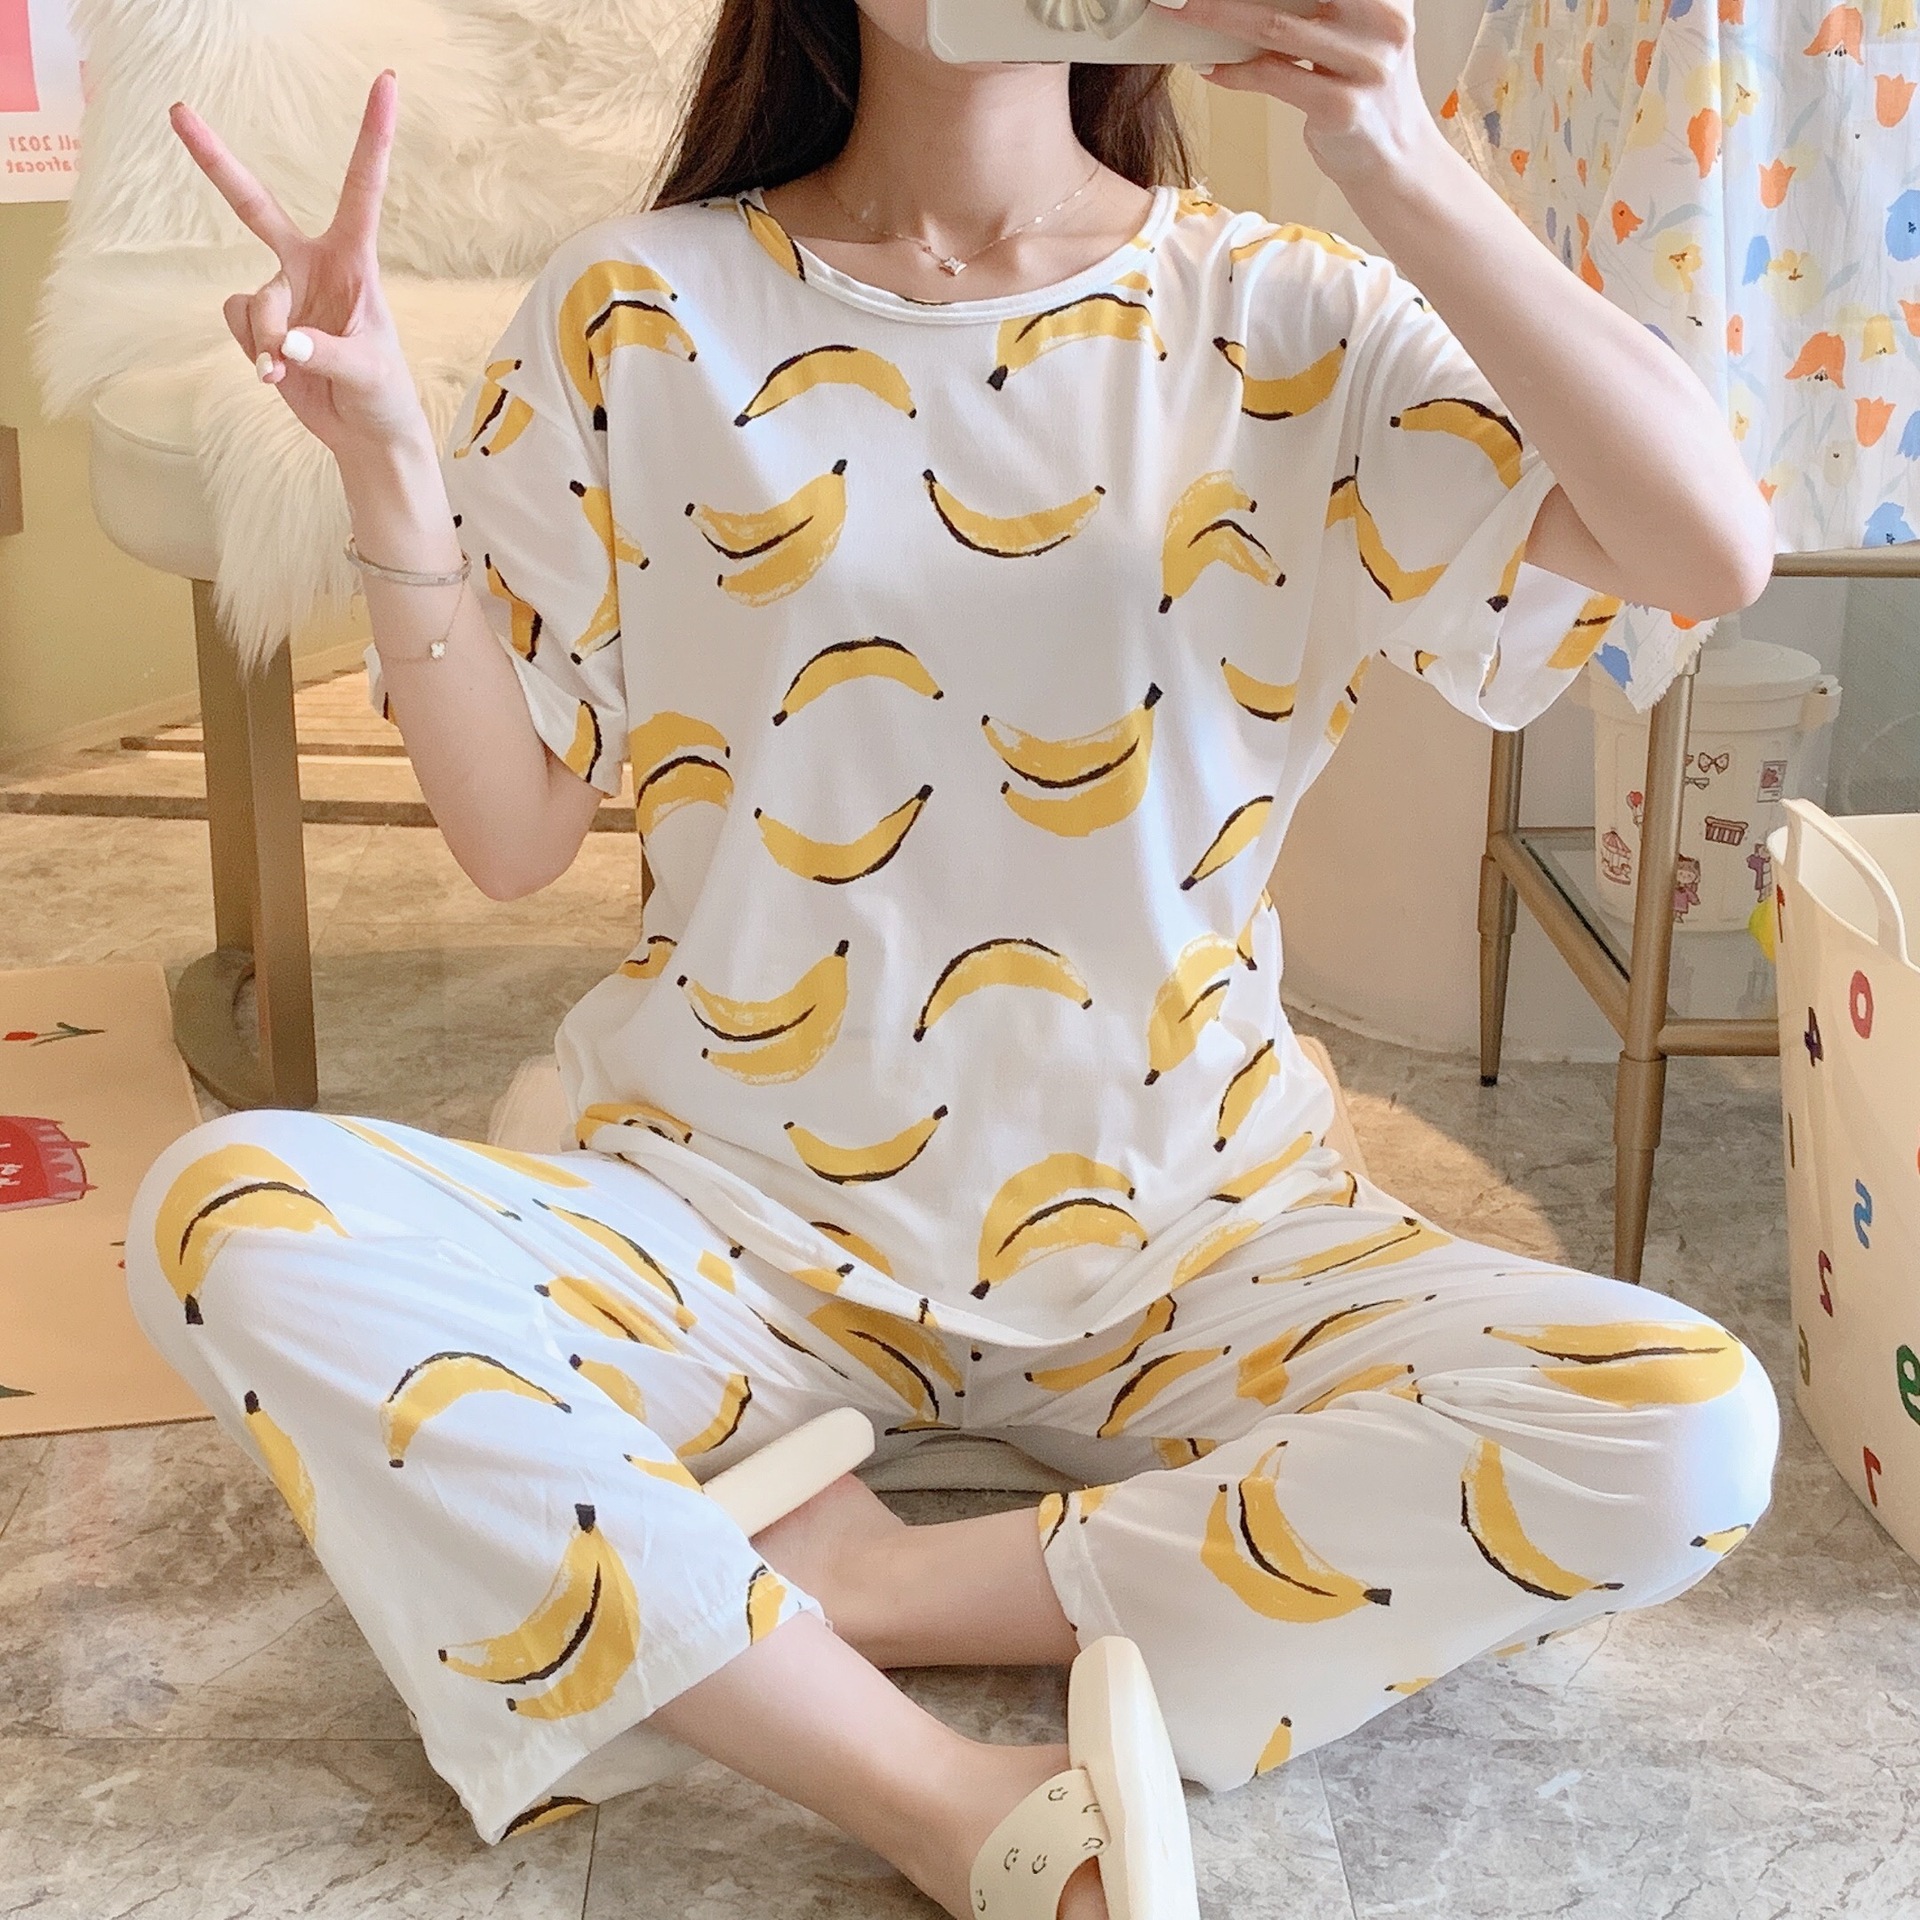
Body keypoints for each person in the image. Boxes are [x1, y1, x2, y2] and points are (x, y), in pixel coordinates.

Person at [130, 1, 1781, 1914]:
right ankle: (936, 1797)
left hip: (1199, 1235)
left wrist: (1393, 154)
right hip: (732, 1232)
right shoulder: (636, 308)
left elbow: (1707, 551)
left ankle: (845, 1592)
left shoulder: (1286, 313)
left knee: (1681, 1430)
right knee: (228, 1215)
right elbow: (513, 842)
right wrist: (388, 472)